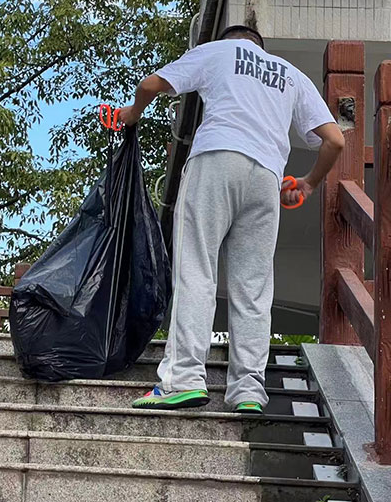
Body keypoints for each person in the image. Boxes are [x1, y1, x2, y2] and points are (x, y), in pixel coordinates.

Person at [118, 25, 344, 414]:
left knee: (196, 269)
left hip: (216, 159)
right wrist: (308, 183)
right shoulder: (290, 75)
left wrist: (131, 114)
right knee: (253, 287)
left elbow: (150, 84)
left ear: (229, 40)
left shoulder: (217, 52)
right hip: (266, 176)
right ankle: (248, 390)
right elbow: (335, 140)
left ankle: (183, 380)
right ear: (260, 47)